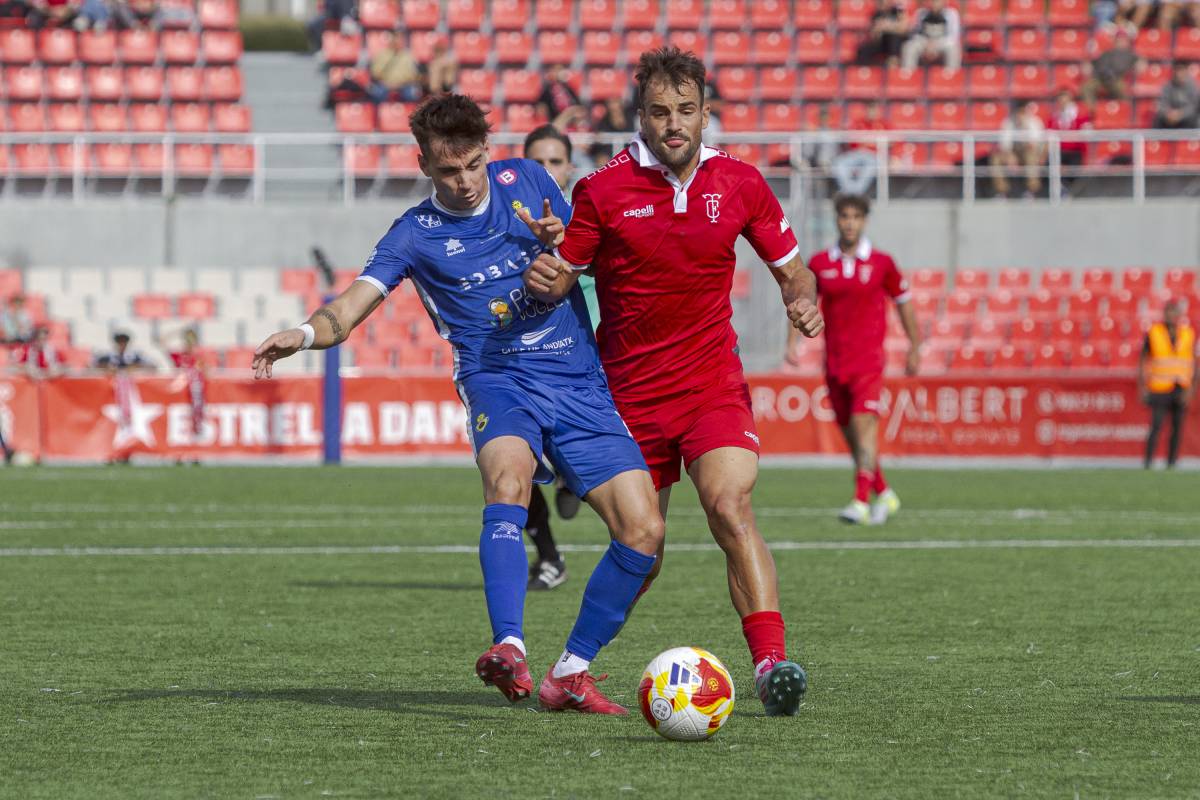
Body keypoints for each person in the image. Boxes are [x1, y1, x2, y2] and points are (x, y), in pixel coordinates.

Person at [252, 93, 664, 715]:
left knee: (644, 531)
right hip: (497, 378)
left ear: (487, 154)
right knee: (507, 481)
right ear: (424, 165)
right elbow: (348, 310)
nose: (466, 181)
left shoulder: (528, 179)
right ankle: (510, 647)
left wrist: (566, 240)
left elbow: (591, 248)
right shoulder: (414, 235)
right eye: (449, 170)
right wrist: (305, 334)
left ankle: (571, 672)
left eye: (473, 164)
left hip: (577, 378)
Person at [523, 47, 826, 717]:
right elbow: (564, 273)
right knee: (645, 546)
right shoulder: (601, 191)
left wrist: (803, 297)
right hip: (628, 396)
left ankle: (772, 666)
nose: (674, 124)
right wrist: (546, 277)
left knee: (729, 506)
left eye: (687, 111)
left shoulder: (742, 183)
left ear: (705, 113)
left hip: (712, 385)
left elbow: (794, 269)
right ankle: (569, 671)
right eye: (660, 112)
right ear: (641, 116)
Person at [799, 194, 919, 524]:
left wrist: (915, 345)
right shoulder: (821, 263)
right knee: (852, 435)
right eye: (844, 216)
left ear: (864, 221)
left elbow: (904, 302)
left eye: (855, 216)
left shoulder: (882, 262)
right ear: (836, 219)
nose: (849, 222)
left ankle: (860, 500)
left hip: (868, 363)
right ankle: (885, 493)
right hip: (835, 363)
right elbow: (803, 302)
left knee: (866, 427)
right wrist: (792, 341)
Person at [515, 124, 587, 592]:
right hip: (520, 360)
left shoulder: (589, 220)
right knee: (509, 462)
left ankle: (569, 475)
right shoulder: (505, 223)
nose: (546, 171)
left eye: (555, 162)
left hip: (585, 357)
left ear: (570, 168)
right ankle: (549, 558)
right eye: (536, 162)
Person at [1140, 299, 1196, 469]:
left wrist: (1191, 388)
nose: (1171, 316)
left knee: (1177, 429)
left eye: (1174, 312)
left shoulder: (1188, 333)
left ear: (1179, 315)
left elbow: (1193, 362)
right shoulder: (1154, 332)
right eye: (1168, 312)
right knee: (1156, 426)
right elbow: (1143, 360)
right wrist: (1142, 386)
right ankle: (1148, 462)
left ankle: (1171, 463)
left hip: (1181, 387)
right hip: (1159, 388)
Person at [159, 326, 207, 440]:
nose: (189, 343)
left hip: (193, 394)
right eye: (187, 339)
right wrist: (177, 332)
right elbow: (162, 342)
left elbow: (207, 372)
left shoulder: (199, 357)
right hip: (180, 394)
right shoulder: (179, 355)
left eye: (191, 340)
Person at [991, 100, 1046, 199]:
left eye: (1022, 111)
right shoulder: (1008, 122)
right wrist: (1010, 156)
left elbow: (1033, 145)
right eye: (1018, 111)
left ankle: (1032, 190)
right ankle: (1002, 191)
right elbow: (1004, 145)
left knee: (1030, 156)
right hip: (1013, 153)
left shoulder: (1034, 122)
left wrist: (1024, 126)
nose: (1020, 114)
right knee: (996, 159)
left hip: (1030, 153)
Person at [1080, 32, 1143, 105]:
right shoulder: (1106, 53)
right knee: (1086, 87)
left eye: (1123, 40)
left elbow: (1140, 62)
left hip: (1117, 79)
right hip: (1099, 78)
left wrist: (1140, 63)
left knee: (1122, 89)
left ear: (1127, 42)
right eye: (1118, 40)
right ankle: (1093, 112)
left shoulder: (1130, 54)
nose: (1120, 42)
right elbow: (1093, 63)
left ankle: (1124, 111)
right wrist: (1088, 65)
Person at [901, 0, 962, 71]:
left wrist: (935, 44)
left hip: (942, 42)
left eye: (937, 2)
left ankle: (951, 76)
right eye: (932, 1)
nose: (934, 4)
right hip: (924, 42)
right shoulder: (921, 13)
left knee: (953, 47)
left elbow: (953, 36)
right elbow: (915, 34)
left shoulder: (951, 14)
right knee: (909, 46)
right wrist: (927, 43)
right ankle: (908, 76)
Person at [366, 32, 422, 103]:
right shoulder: (382, 54)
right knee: (377, 93)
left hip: (404, 85)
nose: (397, 42)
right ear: (391, 41)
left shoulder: (408, 55)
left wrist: (401, 82)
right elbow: (375, 73)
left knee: (412, 94)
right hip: (385, 84)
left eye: (399, 40)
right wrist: (386, 82)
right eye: (395, 40)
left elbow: (413, 74)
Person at [1045, 89, 1091, 175]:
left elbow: (1086, 132)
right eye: (1060, 100)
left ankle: (1070, 187)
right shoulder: (1055, 117)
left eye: (1065, 100)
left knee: (1074, 170)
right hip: (1059, 150)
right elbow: (1049, 133)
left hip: (1075, 151)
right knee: (1048, 165)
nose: (1062, 102)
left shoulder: (1080, 115)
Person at [858, 0, 910, 66]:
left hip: (896, 42)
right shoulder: (877, 14)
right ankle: (866, 73)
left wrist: (887, 27)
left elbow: (904, 28)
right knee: (864, 50)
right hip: (882, 42)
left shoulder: (897, 10)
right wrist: (877, 29)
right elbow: (874, 35)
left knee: (893, 38)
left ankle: (893, 68)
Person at [537, 67, 588, 131]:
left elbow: (578, 104)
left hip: (572, 118)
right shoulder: (547, 89)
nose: (558, 73)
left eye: (559, 71)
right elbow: (541, 107)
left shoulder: (568, 87)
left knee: (581, 121)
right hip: (556, 119)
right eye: (555, 71)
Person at [1153, 62, 1200, 129]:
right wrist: (1168, 113)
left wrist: (1180, 114)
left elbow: (1194, 106)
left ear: (1186, 71)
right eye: (1177, 70)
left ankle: (1195, 138)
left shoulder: (1192, 85)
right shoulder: (1167, 86)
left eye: (1181, 70)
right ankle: (1155, 139)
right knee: (1158, 118)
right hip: (1170, 118)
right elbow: (1162, 103)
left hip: (1188, 118)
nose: (1179, 74)